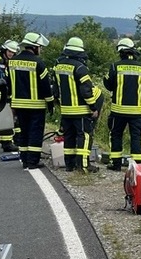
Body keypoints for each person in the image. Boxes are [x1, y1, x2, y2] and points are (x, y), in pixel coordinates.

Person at [53, 37, 104, 173]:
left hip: (66, 110)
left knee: (69, 136)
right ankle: (84, 166)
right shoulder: (80, 68)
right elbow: (86, 90)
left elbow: (56, 90)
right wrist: (93, 107)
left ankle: (69, 165)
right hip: (80, 111)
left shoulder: (58, 65)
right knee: (84, 136)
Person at [6, 32, 54, 169]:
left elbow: (8, 83)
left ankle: (25, 159)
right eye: (39, 47)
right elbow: (45, 85)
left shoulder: (12, 62)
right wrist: (50, 102)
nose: (40, 49)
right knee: (35, 133)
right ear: (34, 47)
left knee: (24, 132)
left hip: (18, 105)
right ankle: (33, 161)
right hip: (36, 106)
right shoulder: (38, 63)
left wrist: (11, 102)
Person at [103, 38, 141, 171]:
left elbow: (109, 85)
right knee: (136, 137)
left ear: (120, 52)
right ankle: (137, 167)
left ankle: (116, 164)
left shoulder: (115, 66)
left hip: (118, 111)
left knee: (116, 135)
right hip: (137, 112)